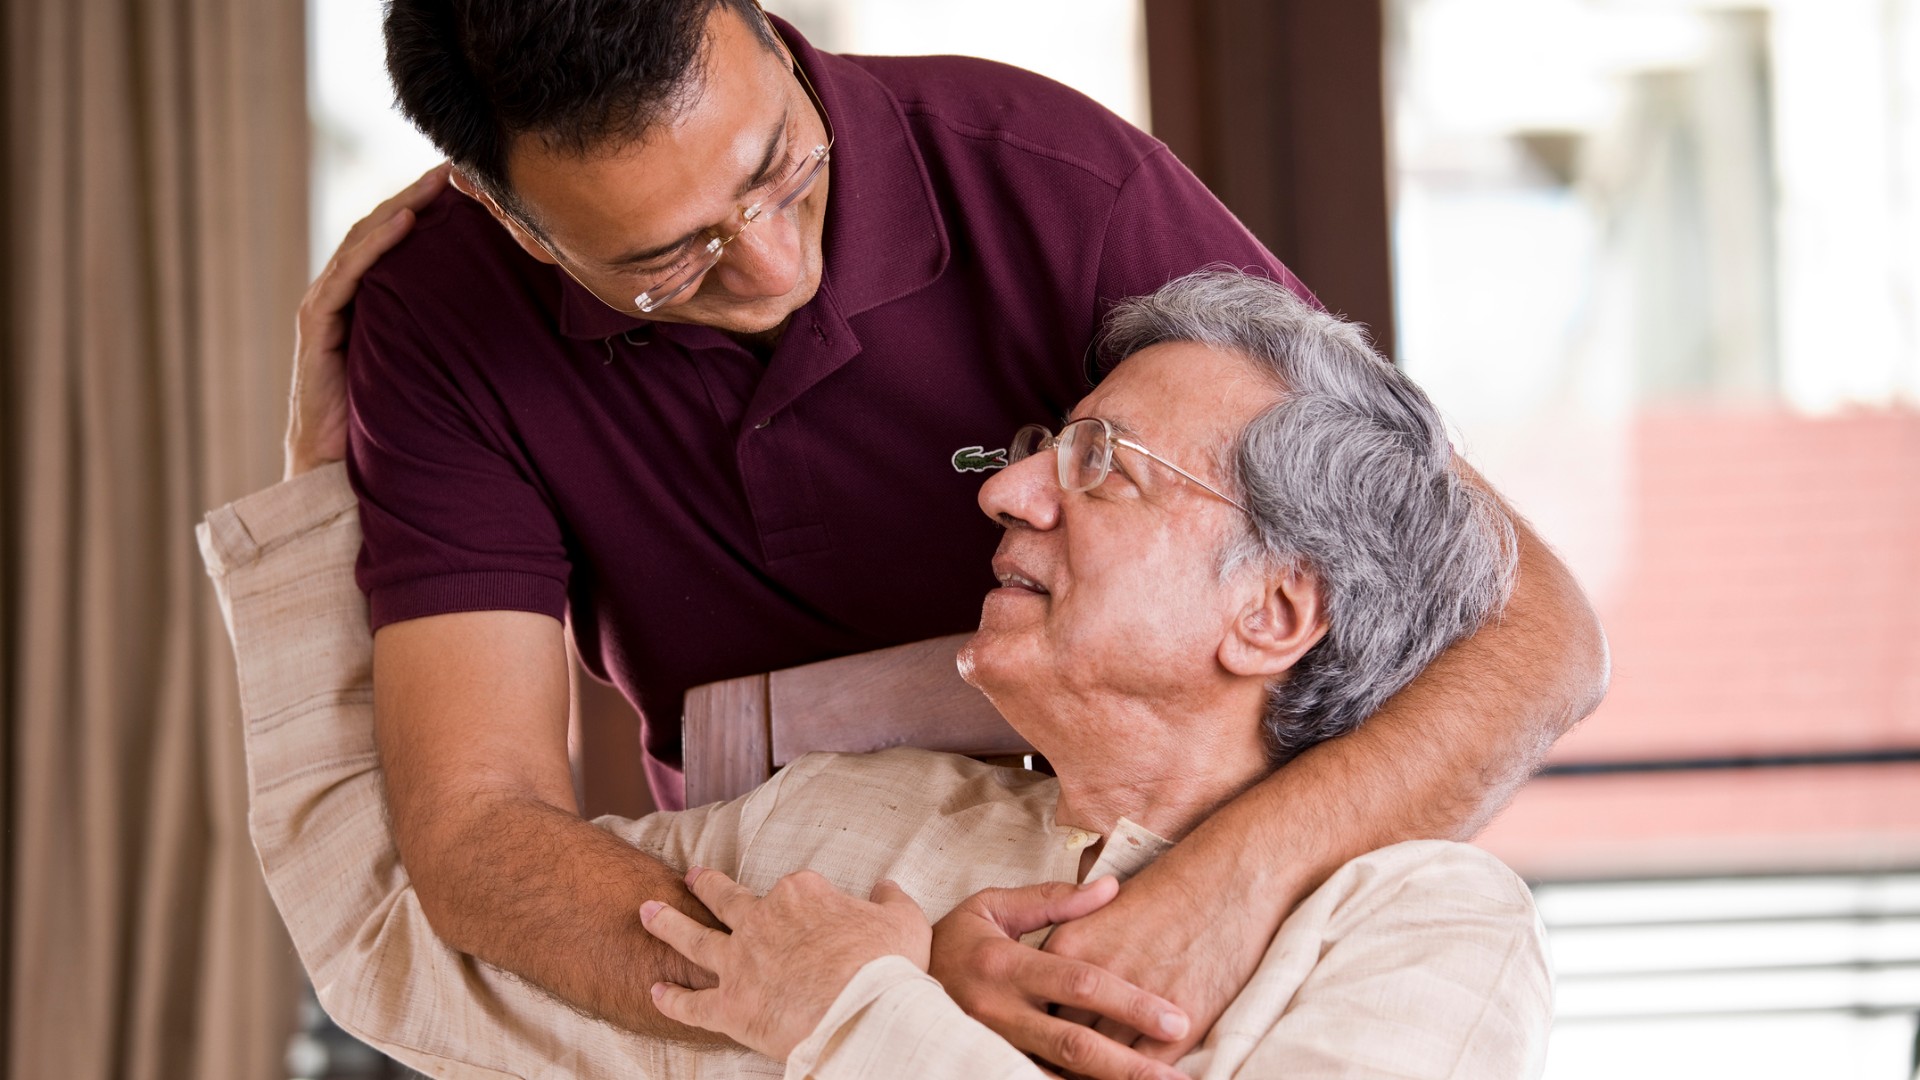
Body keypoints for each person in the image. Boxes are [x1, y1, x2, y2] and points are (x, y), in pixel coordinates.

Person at [316, 1, 1606, 1071]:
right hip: (798, 906)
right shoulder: (441, 322)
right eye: (672, 262)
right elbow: (470, 846)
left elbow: (1526, 623)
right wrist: (871, 989)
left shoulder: (1051, 186)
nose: (772, 267)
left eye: (780, 170)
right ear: (510, 220)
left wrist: (1228, 886)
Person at [213, 271, 1551, 1079]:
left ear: (1272, 612)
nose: (1009, 492)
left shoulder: (1422, 927)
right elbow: (406, 934)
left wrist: (857, 1018)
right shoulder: (831, 832)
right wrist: (342, 482)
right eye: (1041, 447)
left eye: (1100, 468)